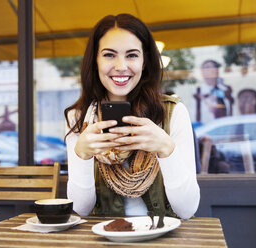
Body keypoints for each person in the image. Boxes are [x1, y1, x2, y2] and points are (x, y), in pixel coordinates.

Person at [64, 14, 200, 219]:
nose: (121, 66)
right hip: (105, 237)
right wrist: (82, 155)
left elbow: (187, 210)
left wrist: (166, 149)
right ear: (95, 61)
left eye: (132, 55)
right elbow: (80, 209)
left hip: (162, 238)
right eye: (109, 55)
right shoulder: (79, 118)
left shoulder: (173, 113)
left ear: (144, 61)